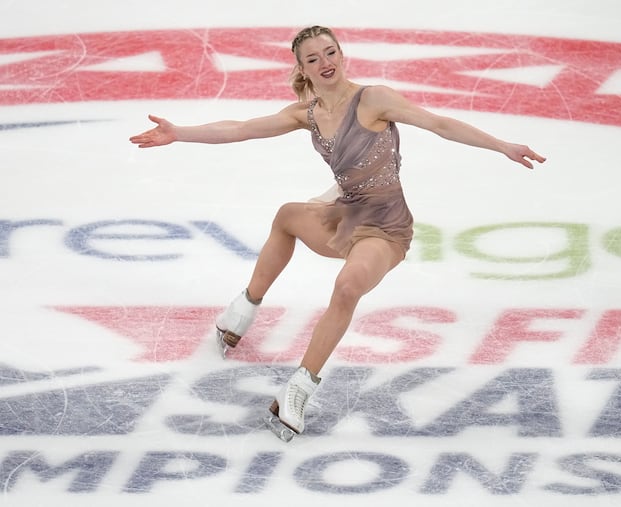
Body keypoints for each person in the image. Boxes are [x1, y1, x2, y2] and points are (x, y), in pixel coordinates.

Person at [129, 25, 546, 438]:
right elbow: (240, 128)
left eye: (330, 53)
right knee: (288, 216)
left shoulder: (373, 99)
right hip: (345, 214)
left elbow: (438, 124)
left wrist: (502, 145)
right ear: (302, 69)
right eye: (313, 59)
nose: (325, 63)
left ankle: (299, 388)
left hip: (385, 227)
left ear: (342, 56)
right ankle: (243, 309)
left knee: (347, 286)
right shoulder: (306, 113)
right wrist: (179, 133)